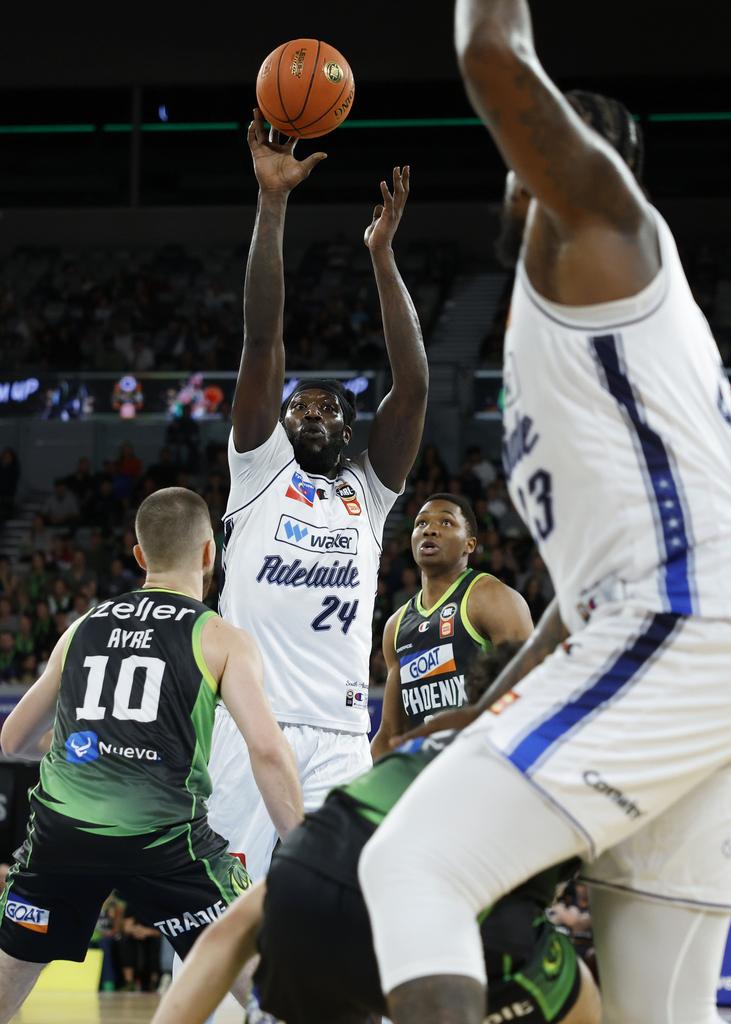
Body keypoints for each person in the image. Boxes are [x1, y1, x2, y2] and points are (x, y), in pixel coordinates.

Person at [357, 3, 731, 1023]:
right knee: (656, 1011)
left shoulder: (594, 229)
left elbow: (491, 48)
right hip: (709, 642)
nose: (510, 170)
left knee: (413, 865)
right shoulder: (586, 325)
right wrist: (490, 711)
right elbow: (580, 599)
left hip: (690, 625)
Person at [150, 645, 601, 1024]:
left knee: (243, 929)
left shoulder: (429, 740)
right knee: (581, 998)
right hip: (421, 904)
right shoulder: (570, 761)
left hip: (305, 883)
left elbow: (227, 934)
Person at [206, 110, 428, 881]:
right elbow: (262, 339)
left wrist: (383, 257)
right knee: (226, 913)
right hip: (245, 727)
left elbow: (415, 385)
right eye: (300, 404)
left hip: (338, 736)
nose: (308, 412)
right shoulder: (260, 468)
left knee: (336, 915)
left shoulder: (369, 491)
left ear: (352, 430)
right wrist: (273, 206)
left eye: (329, 407)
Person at [0, 487, 302, 1023]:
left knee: (8, 986)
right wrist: (303, 845)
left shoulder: (82, 627)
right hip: (167, 838)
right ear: (211, 553)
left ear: (140, 556)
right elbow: (268, 751)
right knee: (274, 982)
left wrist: (86, 750)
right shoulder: (221, 638)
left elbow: (13, 741)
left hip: (65, 832)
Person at [371, 492, 532, 758]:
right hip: (423, 772)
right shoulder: (396, 625)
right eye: (421, 523)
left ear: (469, 544)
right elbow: (389, 731)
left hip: (482, 762)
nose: (430, 530)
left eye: (446, 523)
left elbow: (529, 690)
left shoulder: (491, 598)